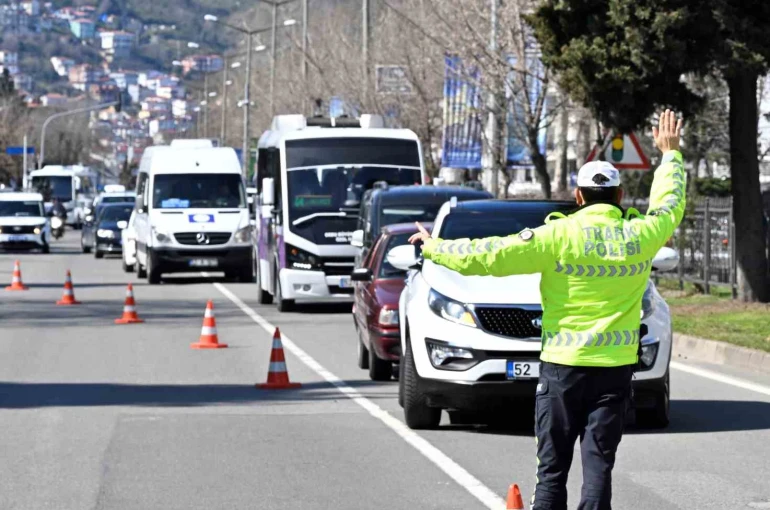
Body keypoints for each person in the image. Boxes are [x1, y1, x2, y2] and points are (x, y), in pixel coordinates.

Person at [409, 110, 686, 510]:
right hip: (614, 369)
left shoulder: (557, 234)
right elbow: (668, 207)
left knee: (552, 471)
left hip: (562, 369)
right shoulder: (639, 235)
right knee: (598, 465)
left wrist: (434, 247)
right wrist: (670, 155)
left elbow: (490, 254)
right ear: (620, 197)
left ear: (578, 196)